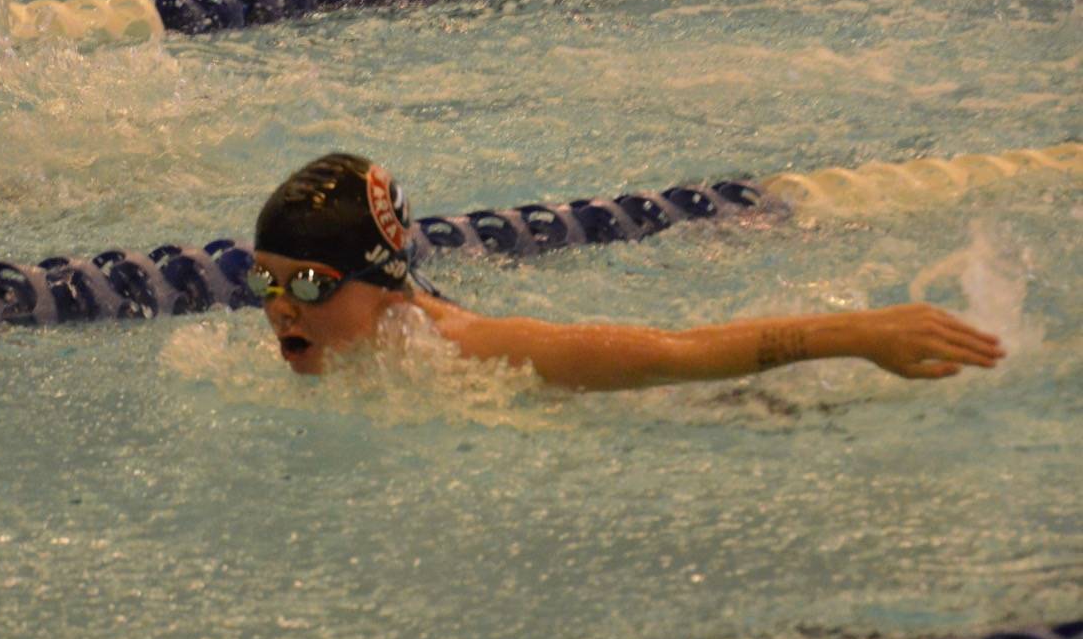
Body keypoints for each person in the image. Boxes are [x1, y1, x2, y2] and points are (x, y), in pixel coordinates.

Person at [249, 153, 1005, 389]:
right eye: (265, 283)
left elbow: (672, 352)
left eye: (310, 283)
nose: (282, 307)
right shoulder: (370, 341)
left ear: (380, 281)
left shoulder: (465, 350)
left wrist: (860, 334)